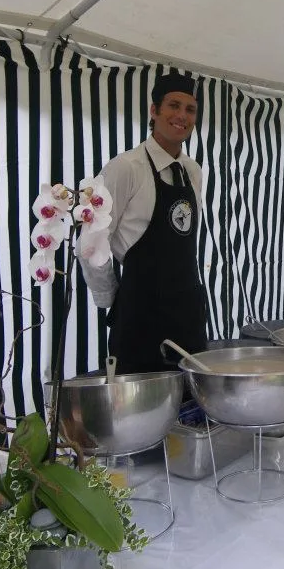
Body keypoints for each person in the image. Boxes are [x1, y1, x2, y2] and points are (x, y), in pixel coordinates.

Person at [81, 70, 208, 373]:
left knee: (191, 407)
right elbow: (90, 242)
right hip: (141, 315)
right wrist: (114, 297)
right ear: (154, 111)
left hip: (187, 311)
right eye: (173, 106)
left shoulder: (192, 171)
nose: (182, 116)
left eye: (190, 109)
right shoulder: (125, 168)